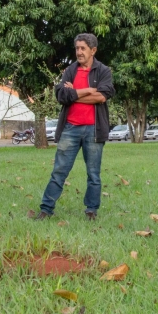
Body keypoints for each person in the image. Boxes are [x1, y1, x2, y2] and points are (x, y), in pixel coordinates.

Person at [34, 33, 114, 221]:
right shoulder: (70, 70)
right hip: (70, 129)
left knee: (93, 174)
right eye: (77, 48)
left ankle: (91, 210)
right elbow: (62, 95)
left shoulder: (103, 71)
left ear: (93, 50)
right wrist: (87, 91)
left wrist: (74, 94)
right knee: (59, 171)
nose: (79, 52)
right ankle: (46, 209)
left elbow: (102, 96)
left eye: (83, 48)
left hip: (94, 130)